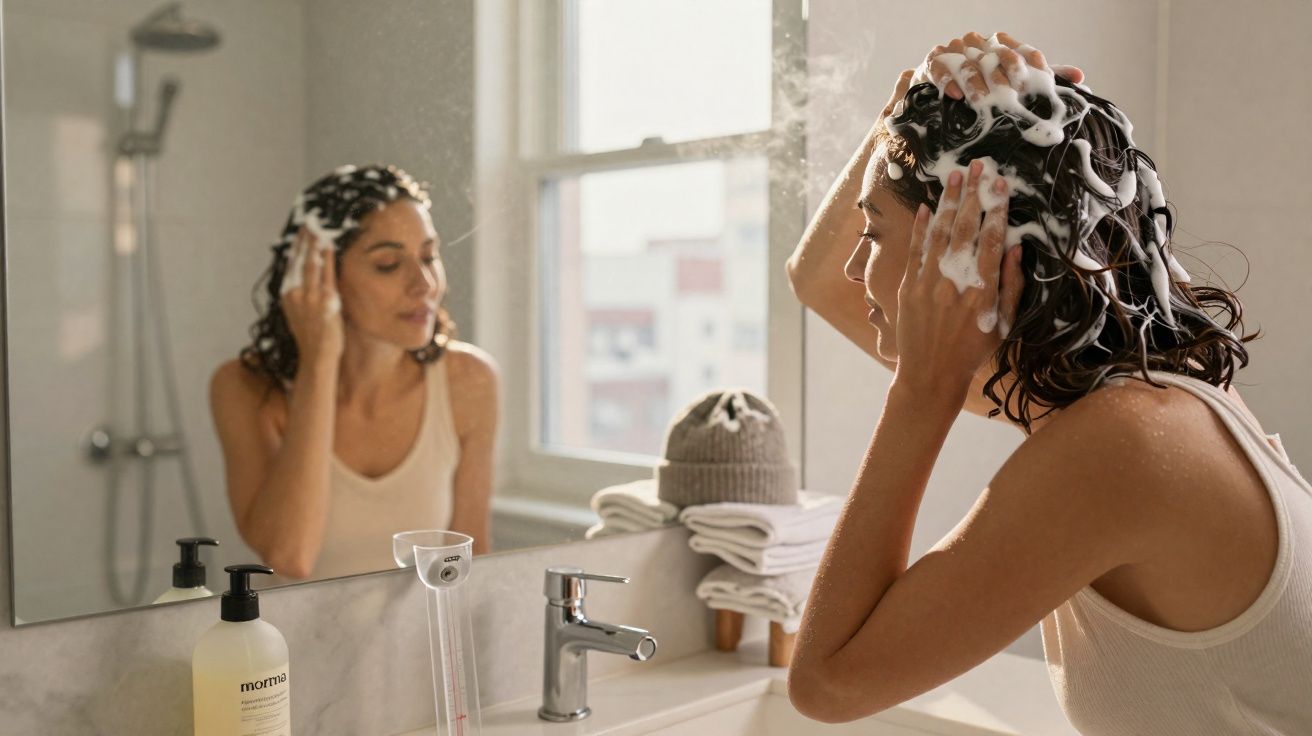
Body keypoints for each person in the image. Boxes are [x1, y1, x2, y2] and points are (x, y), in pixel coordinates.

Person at [785, 32, 1312, 733]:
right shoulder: (1151, 395)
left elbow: (826, 683)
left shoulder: (1122, 446)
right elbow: (816, 283)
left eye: (873, 233)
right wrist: (915, 103)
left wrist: (923, 390)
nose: (855, 266)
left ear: (968, 241)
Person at [210, 164, 498, 580]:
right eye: (388, 264)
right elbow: (289, 555)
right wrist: (320, 360)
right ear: (317, 276)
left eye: (429, 256)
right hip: (293, 645)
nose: (424, 284)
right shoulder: (242, 389)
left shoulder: (469, 381)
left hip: (421, 645)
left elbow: (472, 569)